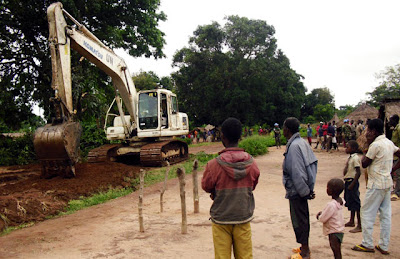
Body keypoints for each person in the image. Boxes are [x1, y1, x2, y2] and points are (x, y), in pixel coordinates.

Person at [202, 117, 260, 259]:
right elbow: (252, 185)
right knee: (245, 256)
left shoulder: (213, 165)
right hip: (243, 216)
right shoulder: (252, 163)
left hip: (221, 219)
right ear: (240, 136)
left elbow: (206, 186)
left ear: (223, 137)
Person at [352, 119, 400, 255]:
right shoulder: (389, 143)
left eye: (368, 130)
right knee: (385, 215)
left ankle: (367, 243)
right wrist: (392, 169)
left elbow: (365, 163)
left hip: (376, 184)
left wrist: (367, 144)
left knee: (367, 213)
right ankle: (384, 245)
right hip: (387, 183)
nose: (366, 133)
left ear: (373, 131)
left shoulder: (375, 145)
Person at [282, 117, 318, 259]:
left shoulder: (295, 146)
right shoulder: (301, 142)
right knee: (302, 218)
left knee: (299, 220)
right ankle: (304, 246)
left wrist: (304, 191)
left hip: (297, 191)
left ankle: (305, 252)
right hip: (302, 190)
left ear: (287, 130)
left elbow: (297, 172)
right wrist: (309, 188)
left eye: (284, 127)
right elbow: (312, 164)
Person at [316, 178, 345, 259]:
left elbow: (323, 218)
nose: (326, 189)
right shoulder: (341, 201)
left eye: (328, 188)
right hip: (339, 229)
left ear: (331, 191)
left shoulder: (331, 205)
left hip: (333, 231)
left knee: (335, 250)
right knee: (337, 250)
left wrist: (319, 216)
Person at [343, 140, 362, 233]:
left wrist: (353, 184)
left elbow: (358, 172)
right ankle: (351, 220)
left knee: (356, 203)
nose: (346, 149)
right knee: (350, 201)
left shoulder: (355, 158)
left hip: (352, 182)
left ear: (354, 149)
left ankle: (360, 224)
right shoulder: (351, 158)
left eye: (348, 147)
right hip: (348, 181)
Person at [389, 114, 400, 201]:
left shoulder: (399, 129)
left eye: (391, 120)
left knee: (398, 174)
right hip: (395, 155)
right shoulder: (394, 129)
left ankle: (397, 192)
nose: (389, 122)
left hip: (398, 154)